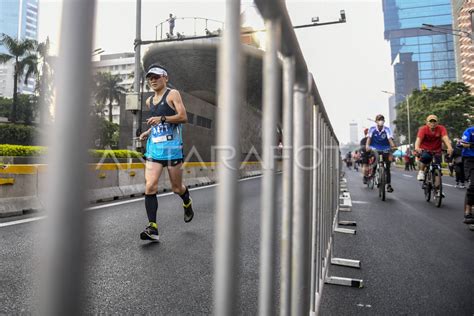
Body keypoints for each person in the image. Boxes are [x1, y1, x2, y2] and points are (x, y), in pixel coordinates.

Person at [138, 65, 194, 241]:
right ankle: (152, 228)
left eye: (156, 77)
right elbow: (157, 125)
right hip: (154, 149)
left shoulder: (172, 94)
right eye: (150, 78)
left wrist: (162, 118)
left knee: (176, 188)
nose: (153, 80)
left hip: (172, 150)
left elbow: (183, 117)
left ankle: (187, 201)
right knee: (150, 186)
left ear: (165, 78)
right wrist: (148, 133)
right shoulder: (149, 101)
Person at [414, 115, 453, 182]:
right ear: (427, 122)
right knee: (426, 157)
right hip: (425, 149)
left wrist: (449, 147)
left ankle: (437, 190)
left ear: (437, 122)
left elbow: (445, 138)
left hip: (437, 150)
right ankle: (421, 172)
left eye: (434, 121)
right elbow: (418, 139)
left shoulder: (441, 128)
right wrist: (417, 147)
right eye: (430, 121)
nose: (432, 123)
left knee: (438, 169)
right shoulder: (423, 129)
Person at [365, 114, 397, 193]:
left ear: (384, 121)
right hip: (374, 148)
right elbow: (369, 139)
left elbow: (390, 138)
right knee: (375, 162)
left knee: (388, 167)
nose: (381, 121)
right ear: (376, 121)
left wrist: (393, 146)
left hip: (385, 148)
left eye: (382, 119)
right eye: (379, 119)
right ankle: (372, 174)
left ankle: (388, 185)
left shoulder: (387, 129)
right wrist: (367, 146)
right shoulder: (372, 129)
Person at [460, 125, 474, 224]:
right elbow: (463, 143)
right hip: (471, 160)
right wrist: (469, 144)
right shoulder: (469, 131)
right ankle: (468, 210)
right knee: (473, 185)